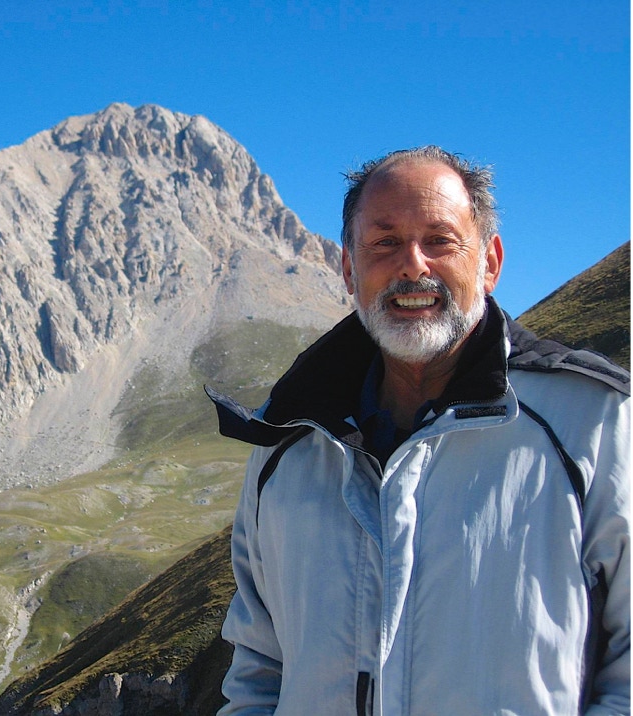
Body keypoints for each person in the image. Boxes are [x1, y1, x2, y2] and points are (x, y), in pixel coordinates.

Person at [208, 146, 630, 715]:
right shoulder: (286, 443)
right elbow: (259, 668)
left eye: (440, 240)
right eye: (384, 242)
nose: (412, 265)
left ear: (489, 262)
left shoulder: (594, 423)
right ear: (349, 268)